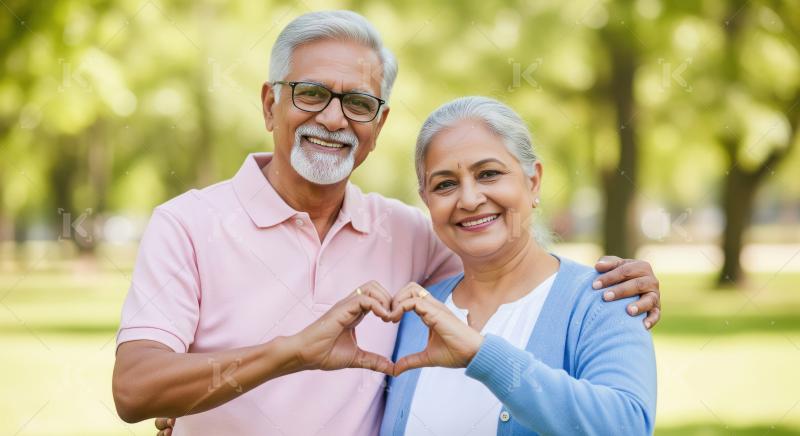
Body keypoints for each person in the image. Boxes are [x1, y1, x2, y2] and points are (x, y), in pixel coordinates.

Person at [110, 10, 661, 436]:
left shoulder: (412, 235)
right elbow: (135, 389)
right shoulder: (187, 224)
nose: (332, 118)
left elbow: (509, 266)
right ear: (269, 103)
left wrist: (628, 284)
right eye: (310, 93)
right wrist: (288, 353)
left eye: (358, 102)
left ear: (379, 123)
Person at [381, 97, 656, 435]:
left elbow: (625, 427)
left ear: (533, 181)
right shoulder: (413, 315)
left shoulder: (604, 300)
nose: (469, 199)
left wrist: (481, 354)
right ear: (427, 200)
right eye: (445, 184)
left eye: (489, 174)